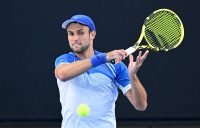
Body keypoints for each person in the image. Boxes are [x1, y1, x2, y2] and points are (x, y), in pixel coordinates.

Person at [54, 14, 149, 128]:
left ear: (92, 34)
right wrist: (103, 58)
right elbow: (62, 74)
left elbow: (141, 105)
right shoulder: (65, 60)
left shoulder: (116, 66)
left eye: (80, 32)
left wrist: (133, 76)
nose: (75, 38)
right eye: (71, 34)